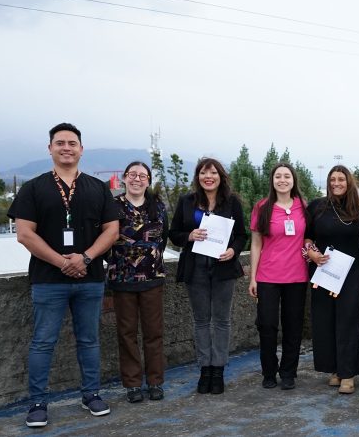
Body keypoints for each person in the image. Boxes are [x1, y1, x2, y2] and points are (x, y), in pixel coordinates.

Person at [8, 123, 119, 428]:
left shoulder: (97, 188)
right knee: (43, 342)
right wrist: (62, 262)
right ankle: (38, 403)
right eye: (60, 143)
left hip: (90, 277)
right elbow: (24, 234)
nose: (67, 148)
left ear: (81, 149)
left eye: (72, 143)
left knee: (89, 340)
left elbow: (112, 230)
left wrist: (84, 257)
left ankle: (92, 394)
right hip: (48, 280)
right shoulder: (33, 187)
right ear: (50, 149)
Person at [169, 157, 247, 395]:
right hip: (196, 268)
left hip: (223, 269)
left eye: (212, 172)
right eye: (203, 173)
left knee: (222, 321)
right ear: (198, 177)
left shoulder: (231, 202)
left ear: (220, 176)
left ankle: (218, 370)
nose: (208, 177)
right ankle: (204, 369)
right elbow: (174, 234)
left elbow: (242, 234)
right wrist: (189, 236)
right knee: (201, 321)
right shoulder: (186, 201)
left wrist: (233, 250)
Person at [106, 161, 168, 403]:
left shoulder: (159, 206)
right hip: (122, 279)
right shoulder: (112, 206)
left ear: (148, 181)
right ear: (124, 178)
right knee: (127, 333)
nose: (137, 179)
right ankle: (132, 384)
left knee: (154, 333)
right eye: (132, 174)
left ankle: (155, 382)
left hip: (152, 278)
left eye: (143, 176)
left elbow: (162, 240)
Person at [248, 162, 309, 390]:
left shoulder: (303, 207)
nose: (282, 180)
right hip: (268, 277)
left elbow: (309, 239)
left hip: (297, 276)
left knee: (293, 327)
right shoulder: (262, 207)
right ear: (272, 181)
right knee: (267, 326)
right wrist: (252, 277)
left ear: (294, 180)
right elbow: (255, 244)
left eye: (287, 176)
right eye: (278, 176)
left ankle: (288, 373)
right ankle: (269, 372)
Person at [304, 165, 359, 394]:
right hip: (323, 271)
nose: (336, 183)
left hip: (350, 273)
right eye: (332, 179)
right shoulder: (317, 207)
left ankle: (348, 373)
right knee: (325, 320)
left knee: (347, 320)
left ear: (348, 182)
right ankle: (334, 370)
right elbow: (306, 236)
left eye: (341, 179)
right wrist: (310, 252)